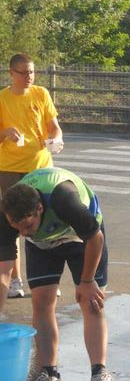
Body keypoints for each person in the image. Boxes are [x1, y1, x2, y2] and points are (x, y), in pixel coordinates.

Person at [0, 167, 118, 381]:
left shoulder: (63, 199)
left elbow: (95, 238)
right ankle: (50, 375)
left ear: (39, 209)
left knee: (91, 302)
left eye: (27, 226)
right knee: (41, 302)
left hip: (82, 239)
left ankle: (99, 375)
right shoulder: (7, 214)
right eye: (17, 228)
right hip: (43, 244)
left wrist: (86, 281)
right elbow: (4, 270)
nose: (22, 234)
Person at [0, 53, 63, 298]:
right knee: (14, 221)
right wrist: (5, 132)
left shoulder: (41, 93)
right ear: (11, 73)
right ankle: (15, 280)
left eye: (32, 72)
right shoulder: (2, 98)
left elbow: (53, 125)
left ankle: (48, 279)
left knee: (44, 221)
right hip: (9, 168)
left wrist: (56, 138)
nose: (29, 77)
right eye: (23, 72)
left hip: (40, 167)